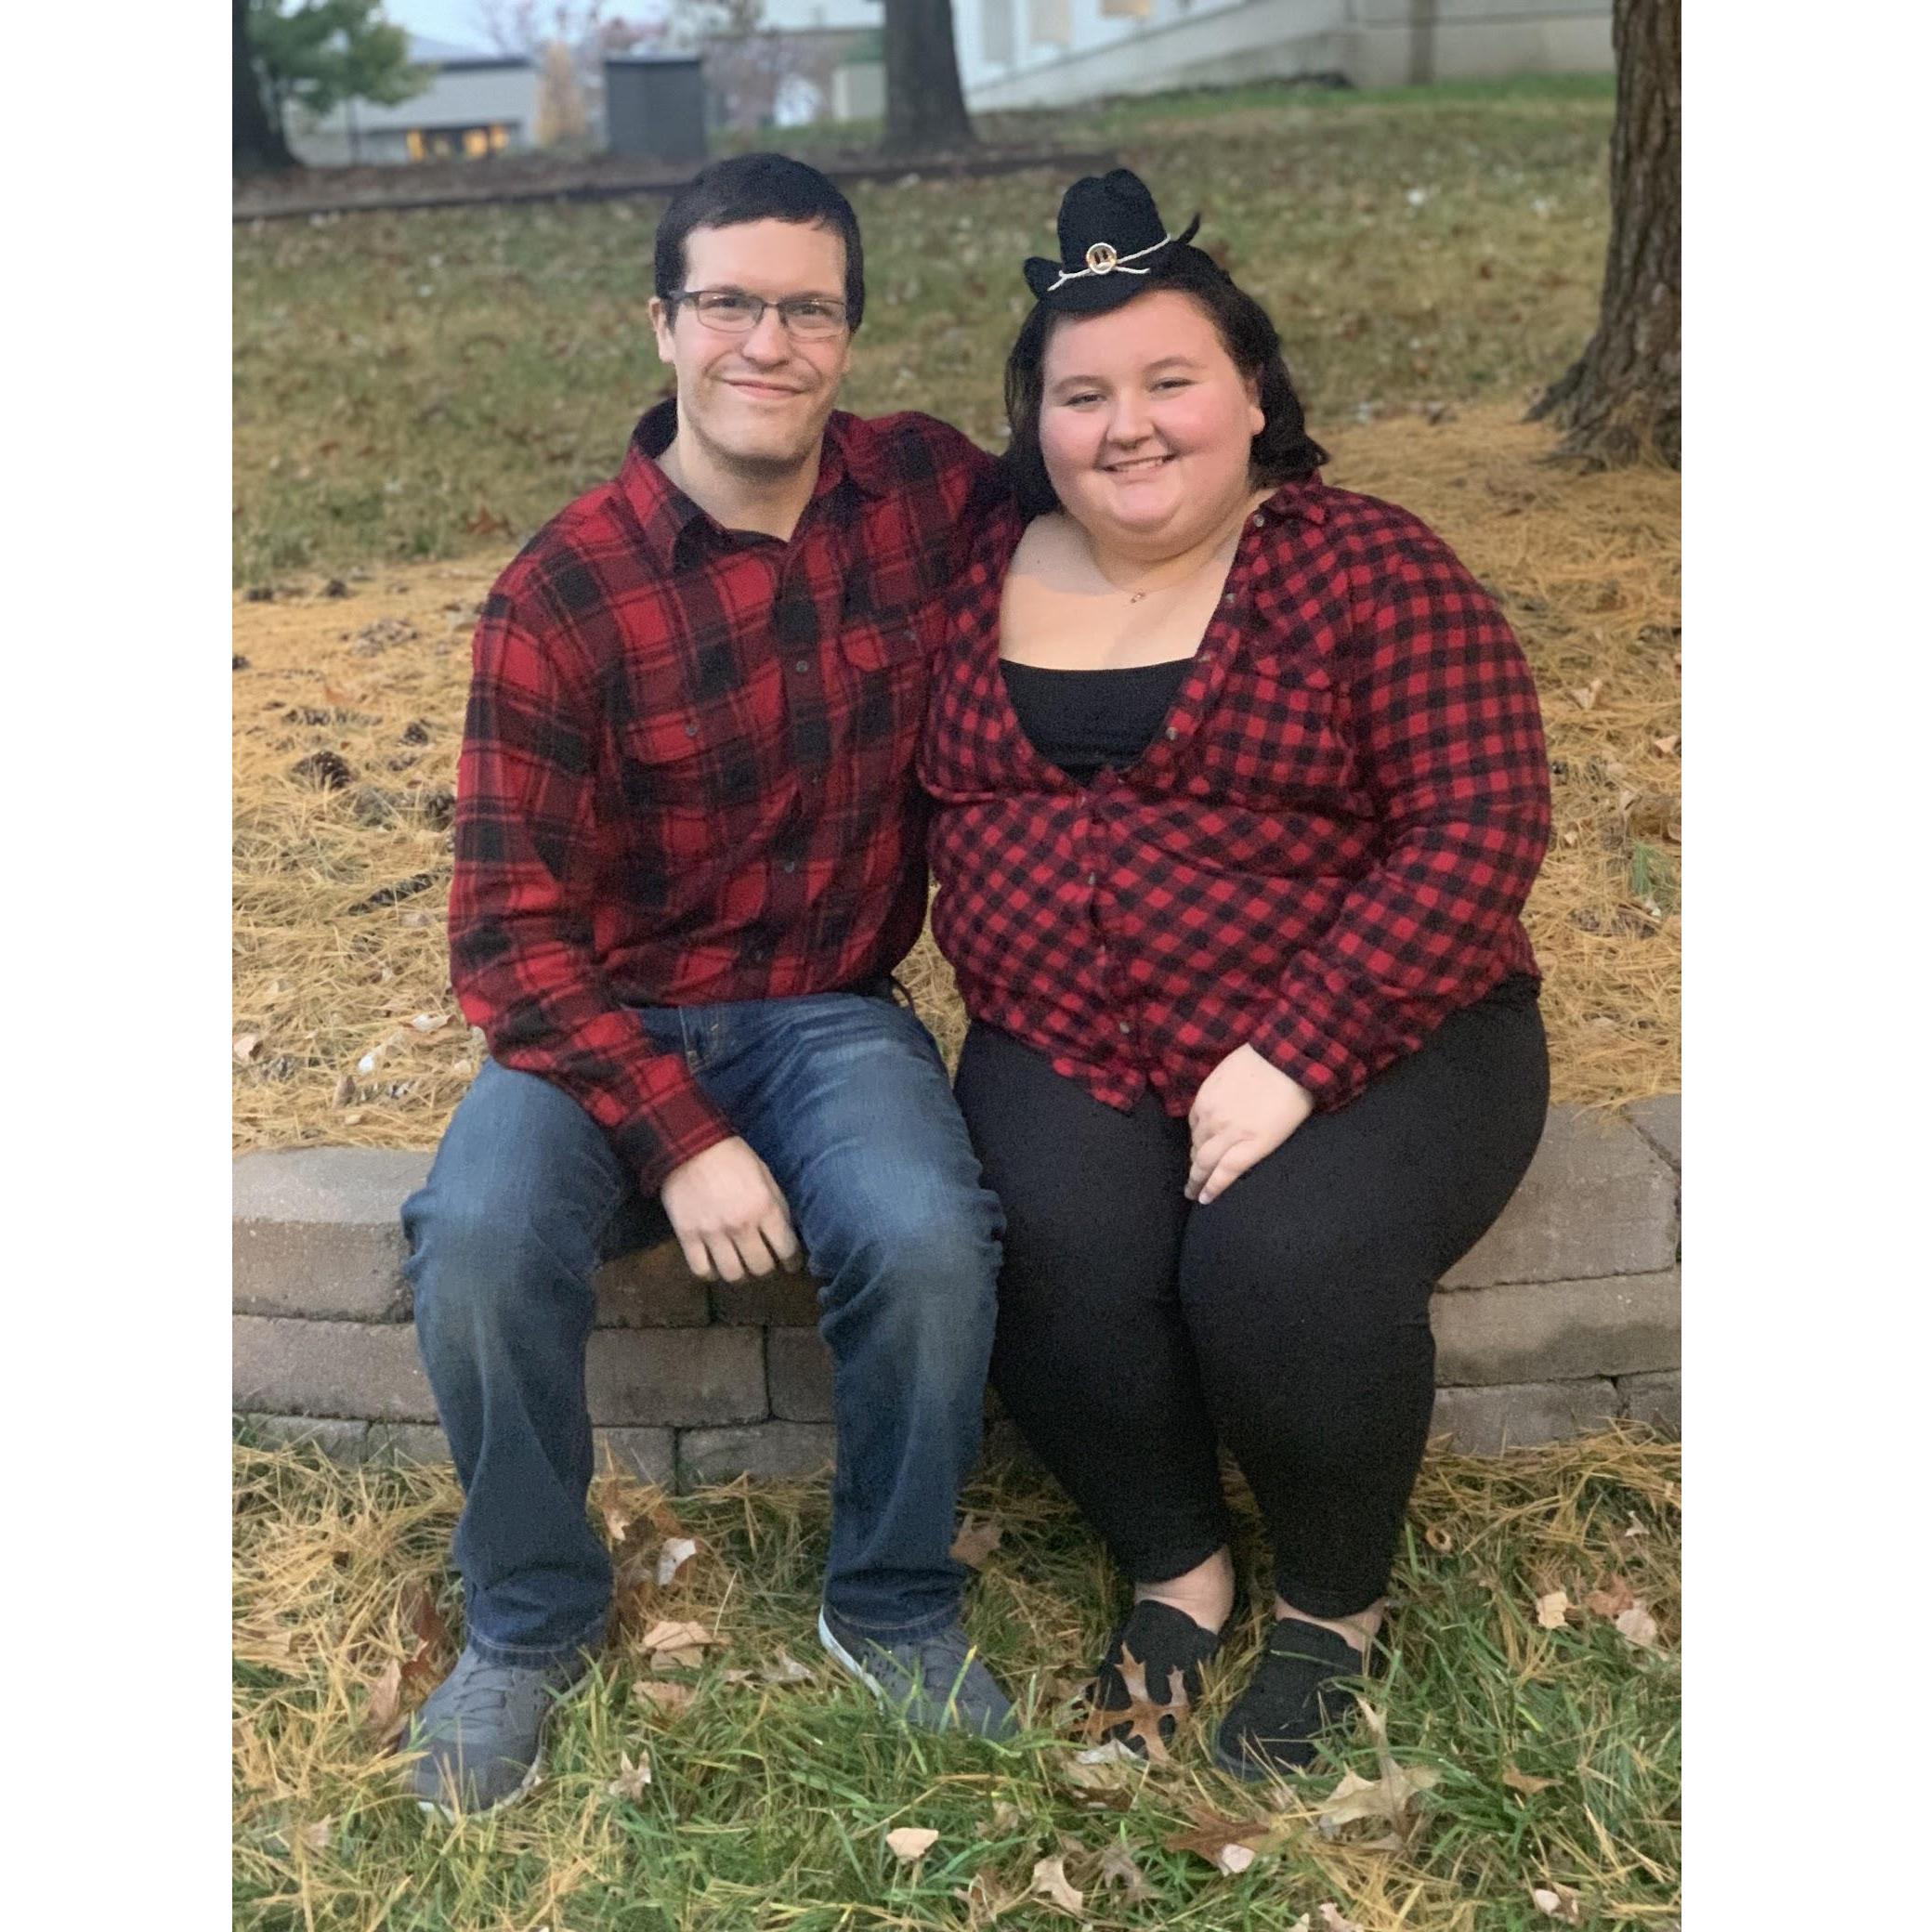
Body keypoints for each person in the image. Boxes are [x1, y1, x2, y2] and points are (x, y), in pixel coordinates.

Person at [399, 153, 1017, 1819]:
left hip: (829, 1008)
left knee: (924, 1237)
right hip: (596, 1022)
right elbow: (506, 937)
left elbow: (1124, 458)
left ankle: (889, 1603)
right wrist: (677, 1135)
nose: (768, 339)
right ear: (661, 321)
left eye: (807, 306)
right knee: (475, 1240)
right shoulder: (563, 593)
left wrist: (1104, 285)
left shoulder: (926, 495)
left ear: (850, 335)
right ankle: (526, 1622)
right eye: (729, 301)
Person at [918, 170, 1554, 1780]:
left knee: (1278, 1262)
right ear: (1037, 420)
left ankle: (1335, 1603)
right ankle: (1178, 1566)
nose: (1128, 426)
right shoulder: (974, 576)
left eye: (1169, 380)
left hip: (1388, 1027)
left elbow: (1482, 825)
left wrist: (1301, 1051)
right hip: (1064, 1032)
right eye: (1083, 394)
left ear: (1251, 394)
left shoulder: (1363, 565)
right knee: (1032, 1245)